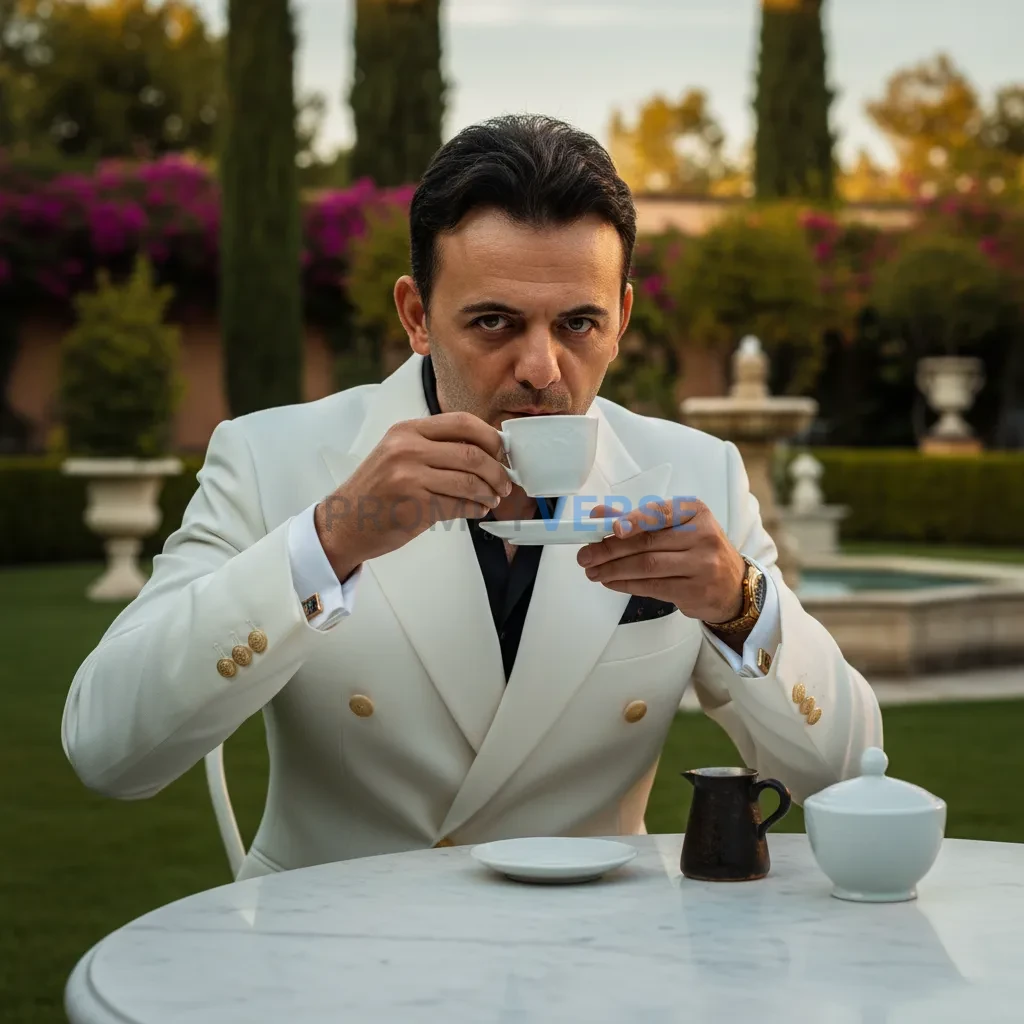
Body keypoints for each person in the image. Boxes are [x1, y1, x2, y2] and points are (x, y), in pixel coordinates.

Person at [62, 115, 882, 879]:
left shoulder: (695, 473)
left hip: (600, 966)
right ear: (417, 315)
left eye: (578, 324)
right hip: (327, 961)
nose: (541, 369)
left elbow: (847, 776)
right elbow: (107, 751)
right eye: (494, 322)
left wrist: (740, 605)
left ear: (623, 317)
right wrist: (330, 540)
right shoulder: (272, 458)